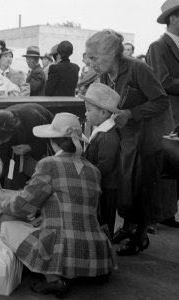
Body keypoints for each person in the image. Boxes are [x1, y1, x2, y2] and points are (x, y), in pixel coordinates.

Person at [0, 113, 114, 297]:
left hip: (62, 248)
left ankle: (53, 280)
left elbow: (23, 206)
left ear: (52, 142)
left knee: (7, 224)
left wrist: (3, 201)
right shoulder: (94, 170)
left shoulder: (48, 164)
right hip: (96, 251)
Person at [86, 29, 171, 255]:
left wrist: (131, 113)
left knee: (141, 187)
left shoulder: (138, 69)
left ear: (112, 53)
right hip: (124, 138)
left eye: (93, 57)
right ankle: (128, 227)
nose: (89, 62)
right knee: (125, 186)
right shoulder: (104, 76)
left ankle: (140, 236)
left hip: (145, 139)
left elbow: (162, 101)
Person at [146, 0, 179, 229]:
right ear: (173, 18)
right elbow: (162, 81)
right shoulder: (158, 46)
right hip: (168, 117)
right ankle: (159, 213)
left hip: (175, 116)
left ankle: (168, 211)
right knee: (166, 166)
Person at [0, 103, 54, 190]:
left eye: (1, 139)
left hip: (40, 135)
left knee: (41, 181)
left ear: (12, 131)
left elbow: (51, 140)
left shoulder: (33, 118)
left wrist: (31, 147)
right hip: (18, 137)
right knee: (10, 183)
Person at [81, 83, 121, 238]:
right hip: (100, 184)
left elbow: (105, 164)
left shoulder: (107, 136)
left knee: (104, 220)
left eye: (89, 110)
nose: (85, 113)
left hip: (106, 187)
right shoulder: (101, 131)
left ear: (104, 113)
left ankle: (105, 251)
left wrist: (87, 175)